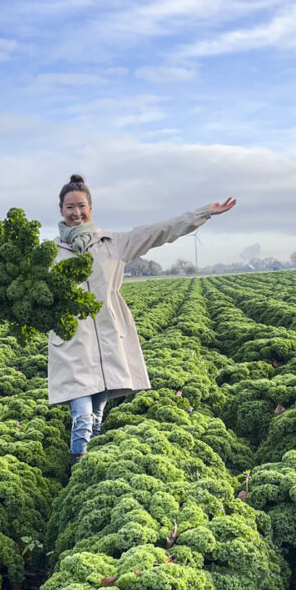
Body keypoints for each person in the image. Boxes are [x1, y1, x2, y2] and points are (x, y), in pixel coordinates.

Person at [49, 173, 236, 464]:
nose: (76, 213)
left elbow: (159, 231)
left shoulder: (113, 243)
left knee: (96, 415)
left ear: (91, 208)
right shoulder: (50, 254)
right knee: (83, 416)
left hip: (108, 338)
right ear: (61, 211)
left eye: (81, 206)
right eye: (70, 207)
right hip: (73, 342)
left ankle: (90, 473)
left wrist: (204, 213)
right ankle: (77, 471)